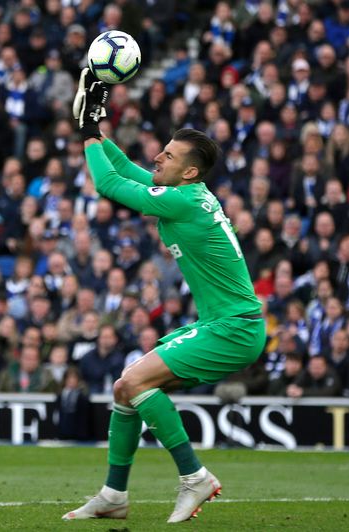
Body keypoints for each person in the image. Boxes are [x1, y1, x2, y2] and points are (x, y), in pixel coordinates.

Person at [63, 72, 266, 523]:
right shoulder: (186, 194)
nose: (158, 156)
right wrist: (95, 131)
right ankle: (114, 495)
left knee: (135, 382)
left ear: (189, 170)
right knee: (125, 389)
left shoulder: (184, 202)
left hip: (233, 329)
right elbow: (128, 172)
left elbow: (108, 185)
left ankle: (195, 478)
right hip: (226, 324)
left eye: (169, 155)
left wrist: (89, 139)